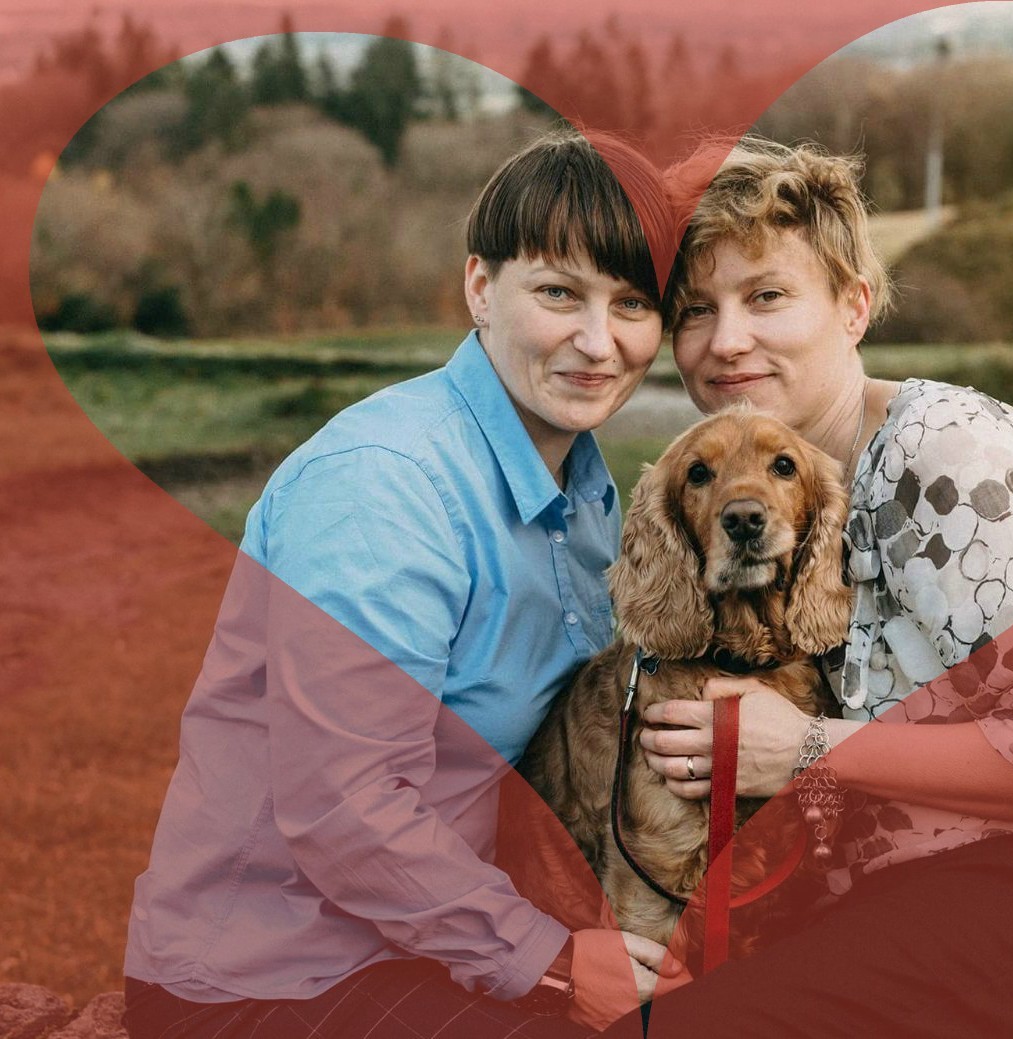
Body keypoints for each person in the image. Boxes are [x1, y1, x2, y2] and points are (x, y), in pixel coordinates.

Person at [623, 138, 1013, 1038]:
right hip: (912, 905)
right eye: (694, 310)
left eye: (766, 296)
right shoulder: (783, 505)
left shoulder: (942, 454)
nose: (726, 341)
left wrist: (808, 749)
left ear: (854, 306)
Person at [122, 130, 683, 1038]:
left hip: (435, 942)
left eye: (631, 303)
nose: (598, 340)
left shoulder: (585, 492)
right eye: (558, 293)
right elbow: (343, 803)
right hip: (275, 974)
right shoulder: (384, 485)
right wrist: (551, 962)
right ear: (479, 287)